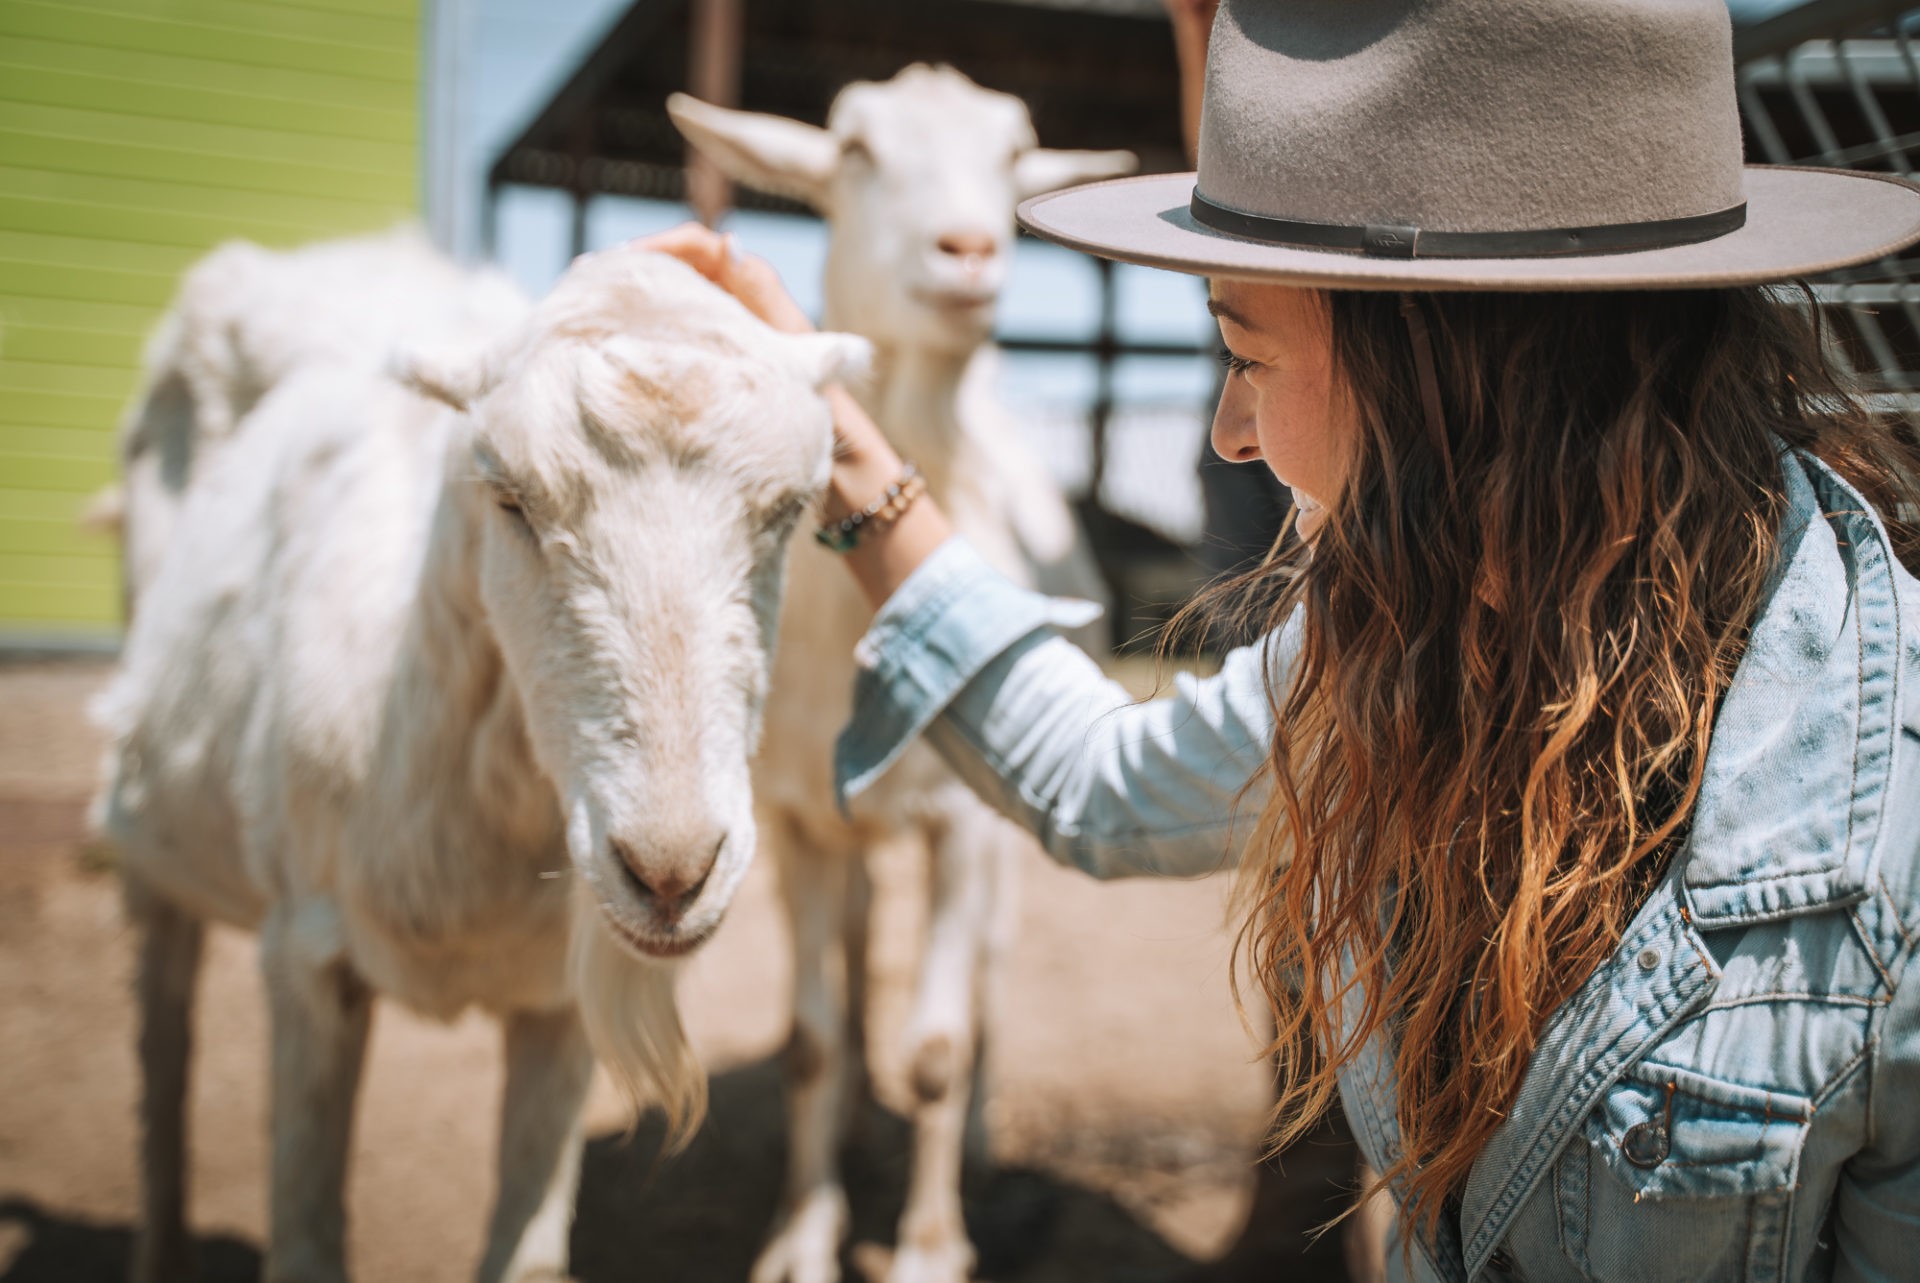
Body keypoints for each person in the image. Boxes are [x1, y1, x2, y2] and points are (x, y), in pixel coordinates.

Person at [648, 0, 1920, 1277]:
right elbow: (1098, 778)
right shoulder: (1393, 646)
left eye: (1245, 351)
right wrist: (850, 449)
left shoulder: (1893, 846)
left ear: (1451, 372)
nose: (1226, 434)